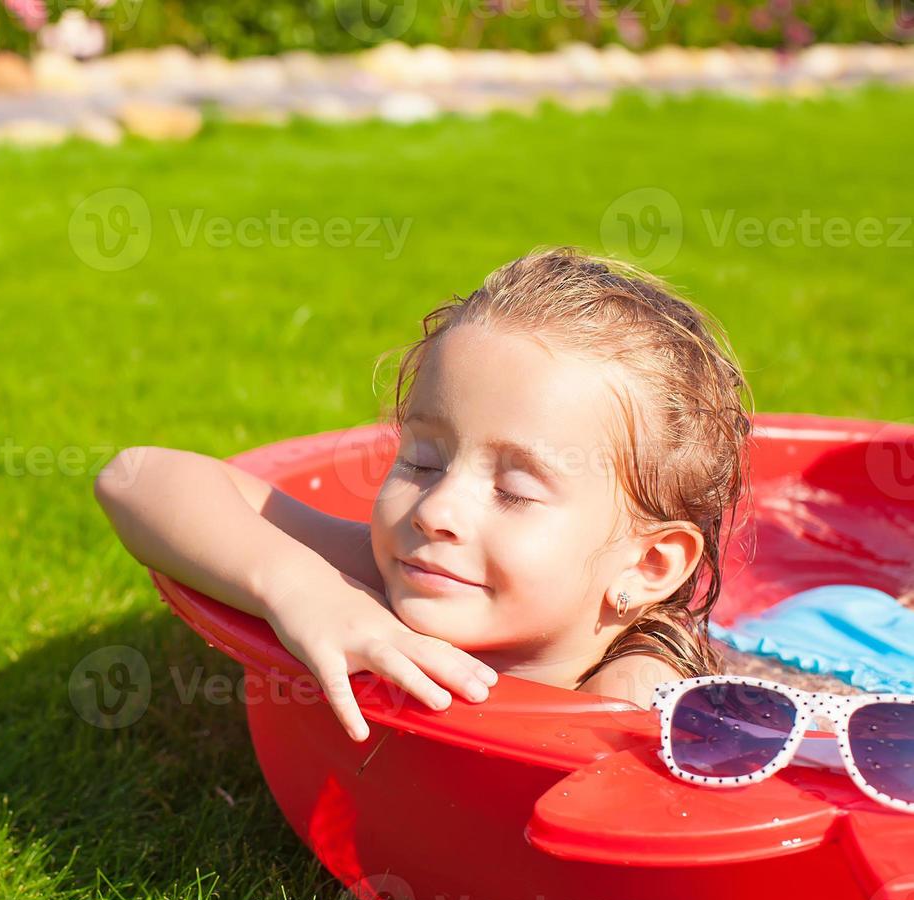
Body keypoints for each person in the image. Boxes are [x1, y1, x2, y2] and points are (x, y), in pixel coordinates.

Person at [95, 246, 754, 741]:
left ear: (648, 565)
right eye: (422, 461)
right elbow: (133, 477)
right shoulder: (386, 579)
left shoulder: (643, 698)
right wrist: (304, 591)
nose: (437, 511)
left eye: (515, 492)